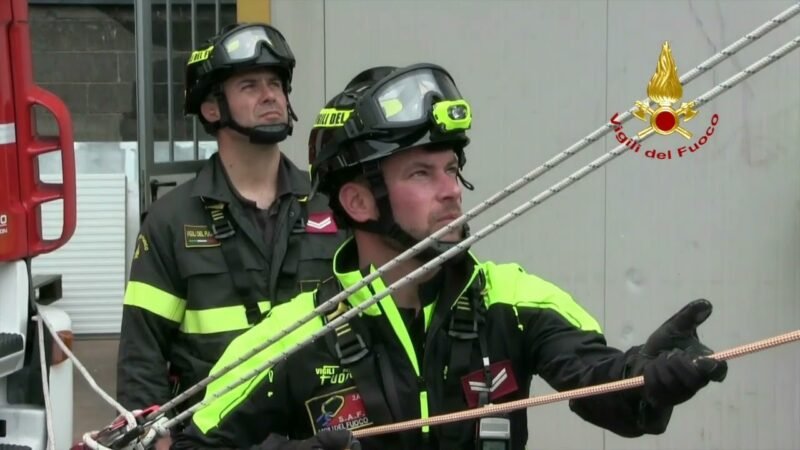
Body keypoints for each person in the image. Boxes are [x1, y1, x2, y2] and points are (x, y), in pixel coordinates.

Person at [170, 63, 728, 450]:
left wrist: (646, 378)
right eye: (421, 172)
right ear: (358, 201)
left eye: (452, 169)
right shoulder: (293, 337)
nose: (452, 189)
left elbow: (602, 387)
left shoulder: (513, 300)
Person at [115, 21, 350, 433]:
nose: (270, 96)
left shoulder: (331, 206)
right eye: (250, 86)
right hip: (213, 436)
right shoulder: (170, 221)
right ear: (211, 108)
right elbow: (143, 355)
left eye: (276, 83)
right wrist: (149, 437)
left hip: (321, 432)